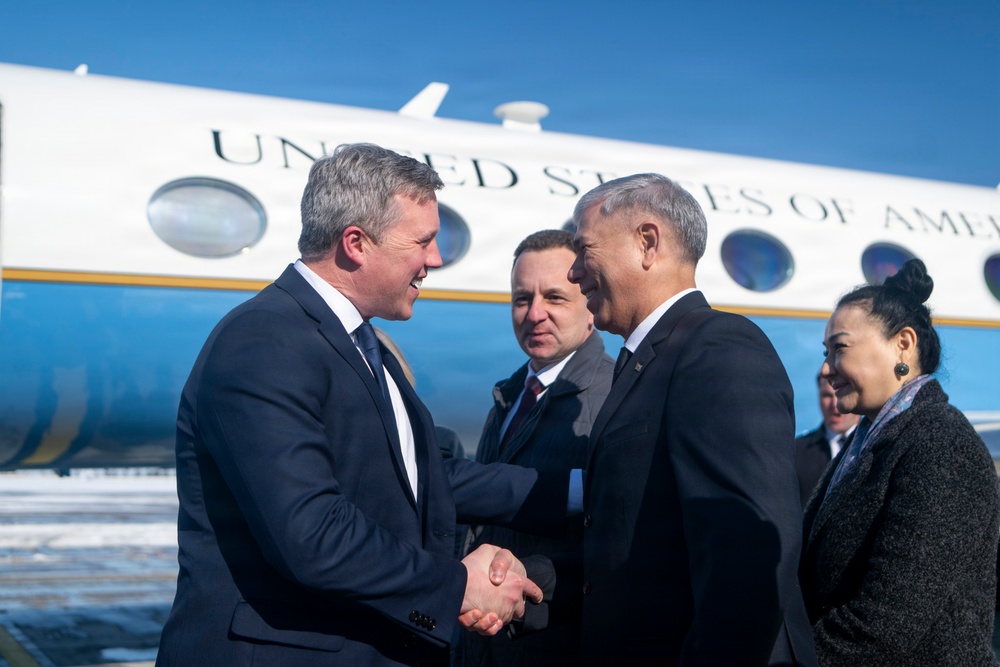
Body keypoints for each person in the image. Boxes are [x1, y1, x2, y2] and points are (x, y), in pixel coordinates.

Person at [156, 143, 569, 667]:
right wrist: (458, 585)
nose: (435, 260)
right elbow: (313, 533)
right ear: (355, 243)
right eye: (423, 241)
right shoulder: (265, 340)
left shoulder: (360, 345)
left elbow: (425, 477)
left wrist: (581, 490)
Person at [551, 173, 816, 665]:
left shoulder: (716, 348)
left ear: (647, 243)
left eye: (584, 249)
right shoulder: (649, 361)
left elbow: (748, 558)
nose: (574, 273)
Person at [801, 259, 999, 666]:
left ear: (903, 344)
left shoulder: (940, 445)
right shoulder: (872, 440)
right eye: (826, 353)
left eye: (840, 348)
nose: (826, 369)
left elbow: (886, 625)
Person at [461, 230, 613, 666]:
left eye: (555, 298)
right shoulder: (509, 396)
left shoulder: (613, 399)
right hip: (488, 641)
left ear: (590, 305)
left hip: (554, 643)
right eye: (521, 298)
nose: (535, 314)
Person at [795, 375, 860, 507]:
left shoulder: (877, 443)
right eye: (827, 395)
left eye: (842, 394)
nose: (835, 405)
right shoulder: (795, 452)